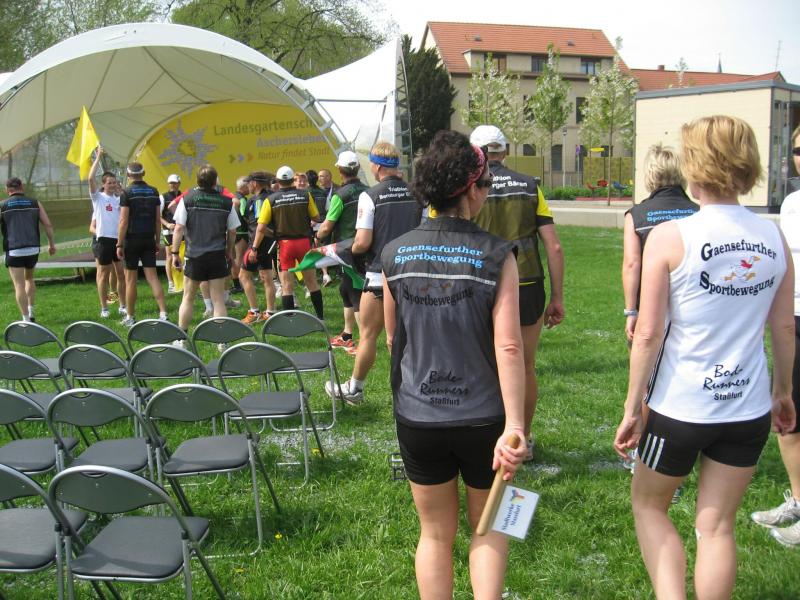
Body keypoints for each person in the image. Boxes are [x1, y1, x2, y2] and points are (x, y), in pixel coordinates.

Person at [613, 115, 796, 599]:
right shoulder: (774, 237)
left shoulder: (671, 237)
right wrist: (782, 392)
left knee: (649, 506)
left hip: (680, 408)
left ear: (694, 168)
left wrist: (632, 408)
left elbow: (648, 332)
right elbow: (783, 327)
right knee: (715, 527)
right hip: (748, 408)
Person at [381, 130, 526, 599]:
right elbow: (509, 347)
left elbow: (392, 338)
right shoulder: (497, 254)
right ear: (470, 190)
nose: (486, 193)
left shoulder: (395, 253)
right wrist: (516, 426)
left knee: (434, 534)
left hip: (418, 414)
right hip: (484, 418)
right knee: (490, 529)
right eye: (485, 185)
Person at [470, 125, 565, 460]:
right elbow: (553, 246)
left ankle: (485, 436)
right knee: (524, 366)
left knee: (480, 364)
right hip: (527, 284)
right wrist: (557, 297)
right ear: (506, 151)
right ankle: (522, 438)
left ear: (475, 153)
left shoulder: (469, 185)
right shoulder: (529, 185)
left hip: (478, 283)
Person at [324, 142, 420, 405]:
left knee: (368, 335)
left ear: (376, 166)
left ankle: (355, 388)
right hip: (414, 272)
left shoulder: (370, 195)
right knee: (414, 337)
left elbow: (363, 242)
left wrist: (348, 250)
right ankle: (419, 391)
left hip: (380, 274)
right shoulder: (417, 193)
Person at [750, 122, 800, 547]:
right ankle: (798, 500)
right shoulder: (792, 203)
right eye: (798, 150)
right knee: (790, 417)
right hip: (795, 319)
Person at [623, 144, 697, 344]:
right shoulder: (699, 212)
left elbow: (632, 264)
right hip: (692, 304)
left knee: (646, 357)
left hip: (649, 305)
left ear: (650, 175)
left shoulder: (636, 215)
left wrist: (631, 311)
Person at [170, 165, 238, 334]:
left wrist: (174, 253)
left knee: (188, 298)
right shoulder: (226, 202)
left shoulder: (188, 199)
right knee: (218, 300)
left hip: (194, 256)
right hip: (217, 255)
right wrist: (229, 250)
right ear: (215, 181)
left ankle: (182, 338)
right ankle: (221, 341)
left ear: (197, 180)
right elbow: (232, 231)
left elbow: (178, 228)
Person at [248, 165, 323, 319]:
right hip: (304, 243)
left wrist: (256, 247)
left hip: (285, 245)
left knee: (286, 285)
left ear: (278, 181)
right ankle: (320, 317)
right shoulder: (306, 195)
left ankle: (289, 320)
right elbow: (316, 218)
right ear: (292, 180)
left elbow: (260, 228)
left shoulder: (270, 199)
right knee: (312, 282)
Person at [316, 151, 369, 355]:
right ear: (357, 168)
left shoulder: (340, 195)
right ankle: (347, 335)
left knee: (354, 293)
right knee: (345, 289)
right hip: (366, 246)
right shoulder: (369, 191)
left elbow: (326, 227)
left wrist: (318, 237)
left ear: (339, 170)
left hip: (347, 250)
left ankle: (363, 342)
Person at [116, 161, 168, 326]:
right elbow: (158, 220)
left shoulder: (126, 192)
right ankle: (163, 313)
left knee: (130, 280)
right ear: (143, 174)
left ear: (129, 175)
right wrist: (157, 241)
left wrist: (119, 244)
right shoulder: (154, 191)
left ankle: (130, 317)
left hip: (131, 239)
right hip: (149, 238)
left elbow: (123, 221)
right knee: (153, 277)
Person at [1, 177, 56, 322]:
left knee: (19, 284)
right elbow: (48, 224)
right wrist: (51, 244)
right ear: (22, 187)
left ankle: (26, 319)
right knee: (29, 279)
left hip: (14, 250)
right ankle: (31, 311)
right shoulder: (35, 203)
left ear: (7, 190)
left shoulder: (3, 205)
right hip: (33, 249)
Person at [87, 147, 127, 318]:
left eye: (114, 182)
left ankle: (123, 305)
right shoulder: (98, 198)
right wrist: (98, 157)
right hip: (103, 240)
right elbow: (90, 178)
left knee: (121, 274)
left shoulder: (119, 199)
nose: (112, 185)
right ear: (103, 184)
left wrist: (121, 190)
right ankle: (104, 308)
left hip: (117, 241)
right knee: (103, 274)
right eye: (109, 183)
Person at [239, 171, 277, 324]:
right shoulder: (271, 196)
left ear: (254, 183)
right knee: (267, 277)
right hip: (268, 242)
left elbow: (260, 225)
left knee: (244, 276)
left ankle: (254, 312)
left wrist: (254, 248)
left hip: (258, 242)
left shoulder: (258, 200)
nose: (247, 185)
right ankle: (270, 312)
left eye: (248, 182)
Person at [307, 169, 332, 288]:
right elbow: (328, 208)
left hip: (310, 225)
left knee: (311, 250)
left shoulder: (305, 193)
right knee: (321, 249)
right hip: (322, 224)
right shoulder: (322, 192)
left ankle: (313, 276)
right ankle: (326, 274)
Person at [160, 173, 182, 294]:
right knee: (169, 256)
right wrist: (167, 224)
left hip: (181, 230)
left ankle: (181, 282)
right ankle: (171, 283)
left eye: (174, 183)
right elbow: (157, 216)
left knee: (182, 254)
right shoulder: (163, 197)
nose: (172, 185)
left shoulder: (183, 196)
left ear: (179, 184)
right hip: (168, 231)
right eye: (170, 183)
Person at [230, 175, 250, 294]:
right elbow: (244, 215)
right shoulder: (242, 199)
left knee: (234, 259)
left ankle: (236, 284)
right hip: (241, 232)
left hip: (232, 232)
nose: (250, 188)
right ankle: (239, 284)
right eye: (248, 186)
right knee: (240, 259)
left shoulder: (232, 197)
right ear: (243, 187)